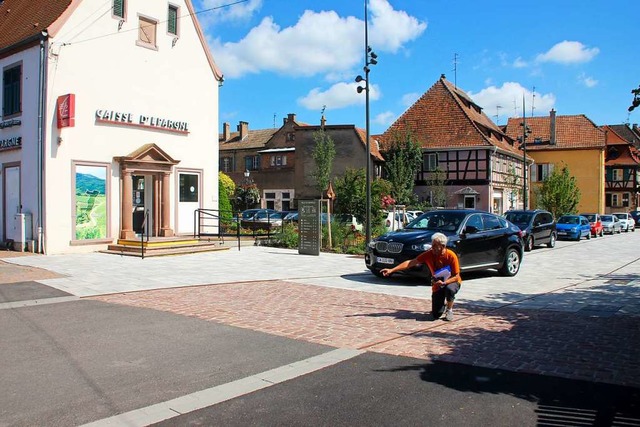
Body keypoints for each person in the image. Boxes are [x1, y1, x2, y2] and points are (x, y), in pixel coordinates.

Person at [380, 232, 461, 321]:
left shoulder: (451, 256)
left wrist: (445, 282)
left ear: (442, 246)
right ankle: (441, 306)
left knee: (450, 290)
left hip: (451, 281)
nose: (432, 247)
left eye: (434, 245)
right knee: (436, 314)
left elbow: (456, 276)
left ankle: (449, 309)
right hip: (437, 284)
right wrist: (392, 270)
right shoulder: (429, 253)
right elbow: (410, 263)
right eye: (432, 244)